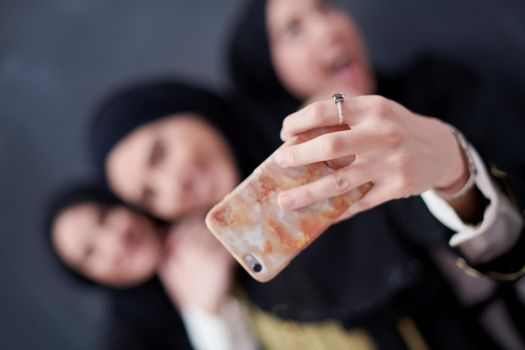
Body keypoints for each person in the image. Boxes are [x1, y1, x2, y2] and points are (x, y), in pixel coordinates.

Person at [226, 0, 525, 348]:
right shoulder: (285, 200)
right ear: (267, 68)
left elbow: (512, 225)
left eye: (325, 8)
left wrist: (452, 166)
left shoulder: (438, 85)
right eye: (293, 30)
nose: (327, 29)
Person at [45, 184, 257, 350]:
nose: (114, 241)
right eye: (90, 252)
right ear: (92, 278)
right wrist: (206, 312)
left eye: (104, 217)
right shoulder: (132, 341)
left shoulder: (205, 204)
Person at [89, 79, 268, 222]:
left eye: (159, 155)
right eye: (150, 194)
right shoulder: (255, 256)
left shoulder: (282, 88)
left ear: (184, 108)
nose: (173, 187)